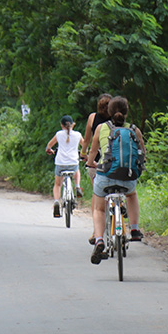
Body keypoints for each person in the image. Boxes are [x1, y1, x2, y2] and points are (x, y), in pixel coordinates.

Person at [86, 96, 146, 264]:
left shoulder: (101, 128)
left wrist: (91, 163)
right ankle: (134, 229)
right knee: (132, 195)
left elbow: (93, 151)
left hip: (105, 176)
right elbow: (142, 152)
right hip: (128, 178)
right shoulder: (134, 129)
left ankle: (99, 240)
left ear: (109, 112)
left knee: (99, 209)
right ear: (126, 113)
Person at [46, 115, 84, 217]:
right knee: (77, 170)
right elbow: (84, 146)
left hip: (60, 163)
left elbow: (49, 145)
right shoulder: (78, 135)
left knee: (58, 184)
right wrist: (84, 155)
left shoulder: (59, 134)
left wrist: (49, 150)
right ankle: (77, 186)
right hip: (73, 163)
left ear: (61, 125)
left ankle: (56, 202)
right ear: (73, 125)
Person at [81, 93, 112, 163]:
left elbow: (87, 139)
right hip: (113, 154)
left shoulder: (92, 117)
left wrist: (83, 153)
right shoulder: (115, 118)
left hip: (96, 155)